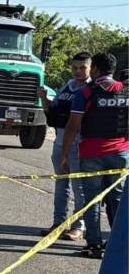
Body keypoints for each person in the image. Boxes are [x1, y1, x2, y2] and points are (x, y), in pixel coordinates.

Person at [61, 52, 129, 258]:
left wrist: (65, 153)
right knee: (117, 199)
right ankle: (119, 245)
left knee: (92, 201)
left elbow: (73, 125)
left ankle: (94, 245)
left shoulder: (86, 92)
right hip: (120, 152)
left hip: (91, 153)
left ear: (95, 69)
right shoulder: (125, 91)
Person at [38, 52, 90, 240]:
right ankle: (58, 224)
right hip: (60, 142)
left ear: (90, 68)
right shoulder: (67, 86)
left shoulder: (91, 89)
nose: (78, 71)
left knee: (79, 188)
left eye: (82, 67)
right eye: (75, 67)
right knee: (61, 185)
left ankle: (79, 226)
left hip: (79, 145)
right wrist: (44, 98)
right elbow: (53, 111)